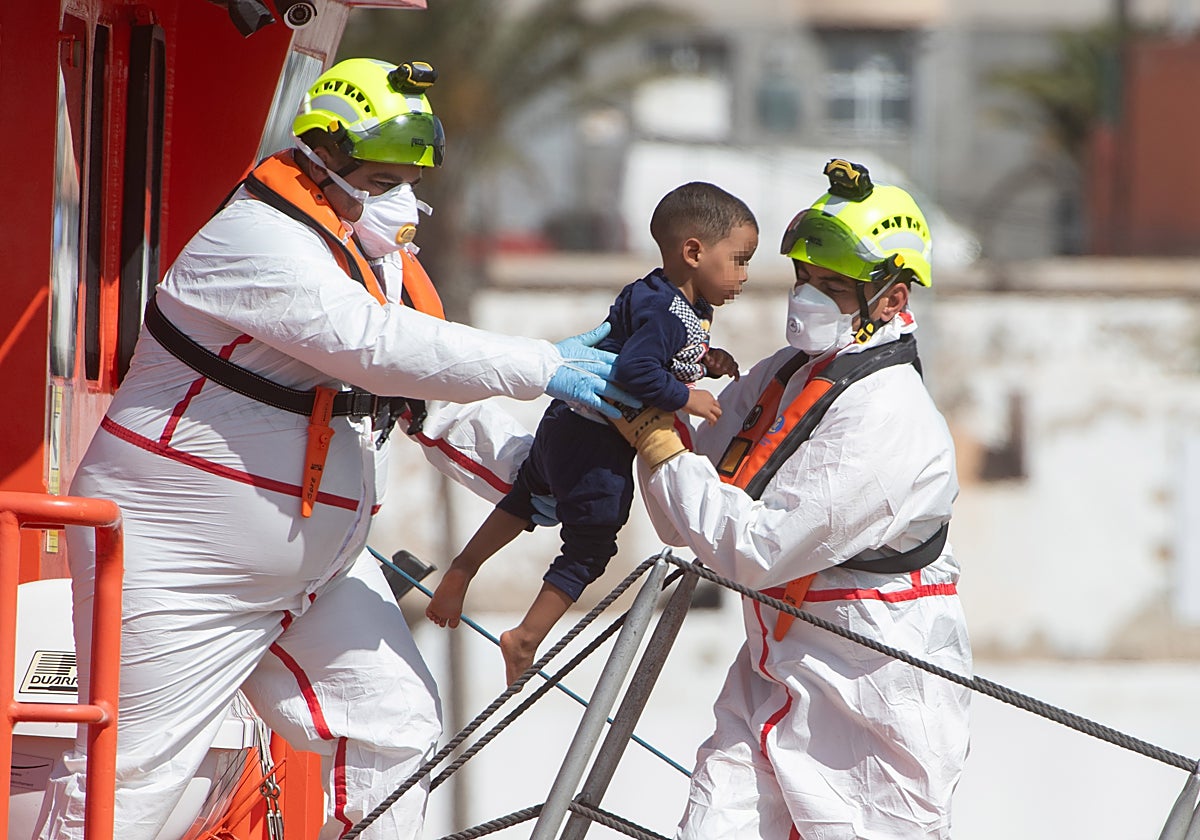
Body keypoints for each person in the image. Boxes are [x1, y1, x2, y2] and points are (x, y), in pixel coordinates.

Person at [36, 58, 636, 840]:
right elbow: (371, 346)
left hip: (309, 572)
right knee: (126, 780)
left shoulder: (373, 261)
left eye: (412, 180)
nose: (405, 202)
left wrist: (560, 472)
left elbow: (421, 398)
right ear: (321, 157)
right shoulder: (250, 239)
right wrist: (546, 366)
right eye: (384, 178)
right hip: (178, 565)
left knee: (394, 724)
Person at [614, 160, 972, 839]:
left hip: (874, 686)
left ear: (891, 299)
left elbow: (753, 548)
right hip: (772, 662)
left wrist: (659, 444)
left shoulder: (890, 414)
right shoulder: (786, 377)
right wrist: (656, 426)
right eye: (804, 278)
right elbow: (685, 514)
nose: (806, 296)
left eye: (832, 286)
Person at [424, 182, 758, 684]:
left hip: (564, 422)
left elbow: (658, 351)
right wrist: (687, 397)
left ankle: (464, 568)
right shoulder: (668, 314)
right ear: (694, 252)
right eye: (739, 260)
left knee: (524, 497)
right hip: (596, 441)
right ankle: (527, 635)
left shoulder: (662, 296)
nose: (745, 276)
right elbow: (635, 370)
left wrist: (706, 362)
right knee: (592, 543)